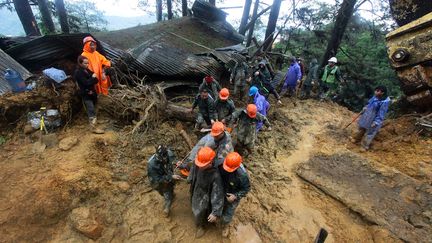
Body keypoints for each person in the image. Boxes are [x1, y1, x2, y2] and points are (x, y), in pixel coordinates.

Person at [189, 146, 224, 238]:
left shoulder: (215, 175)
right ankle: (201, 220)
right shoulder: (199, 162)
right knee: (194, 203)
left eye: (203, 165)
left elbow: (217, 194)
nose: (201, 166)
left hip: (206, 193)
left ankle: (201, 226)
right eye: (199, 164)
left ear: (211, 162)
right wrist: (190, 178)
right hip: (196, 187)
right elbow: (193, 169)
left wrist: (215, 212)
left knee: (201, 210)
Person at [219, 152, 250, 237]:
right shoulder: (223, 162)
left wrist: (235, 196)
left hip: (233, 193)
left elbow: (246, 189)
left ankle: (225, 225)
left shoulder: (242, 175)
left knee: (228, 213)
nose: (226, 169)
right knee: (218, 205)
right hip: (223, 188)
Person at [351, 86, 391, 151]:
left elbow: (382, 113)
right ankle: (356, 139)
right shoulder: (376, 96)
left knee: (370, 133)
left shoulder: (384, 102)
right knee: (362, 128)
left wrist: (376, 122)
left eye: (378, 91)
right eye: (376, 90)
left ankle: (364, 146)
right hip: (368, 115)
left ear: (382, 93)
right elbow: (370, 103)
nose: (376, 92)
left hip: (374, 117)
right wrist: (365, 107)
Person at [147, 145, 182, 216]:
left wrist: (176, 162)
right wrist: (171, 176)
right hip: (158, 181)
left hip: (167, 172)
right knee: (166, 193)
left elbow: (172, 158)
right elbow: (157, 179)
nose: (165, 159)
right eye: (163, 158)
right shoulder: (151, 165)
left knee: (171, 186)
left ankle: (171, 193)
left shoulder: (168, 153)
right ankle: (166, 208)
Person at [73, 55, 104, 134]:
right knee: (91, 110)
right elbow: (86, 83)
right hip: (85, 93)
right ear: (80, 63)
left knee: (94, 107)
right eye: (85, 63)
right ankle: (93, 128)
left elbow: (96, 80)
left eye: (88, 63)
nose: (87, 65)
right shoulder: (78, 73)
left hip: (92, 93)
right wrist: (92, 78)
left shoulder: (87, 70)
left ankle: (95, 122)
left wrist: (92, 79)